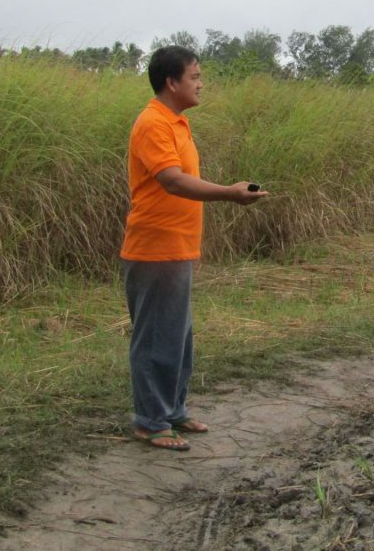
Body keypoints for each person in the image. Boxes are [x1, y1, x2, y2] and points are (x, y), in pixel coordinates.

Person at [121, 45, 267, 451]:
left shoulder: (177, 123)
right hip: (155, 247)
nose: (201, 84)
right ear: (172, 82)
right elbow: (173, 180)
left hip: (178, 246)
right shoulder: (153, 123)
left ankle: (172, 410)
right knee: (155, 336)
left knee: (177, 335)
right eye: (195, 77)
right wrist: (229, 193)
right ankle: (150, 421)